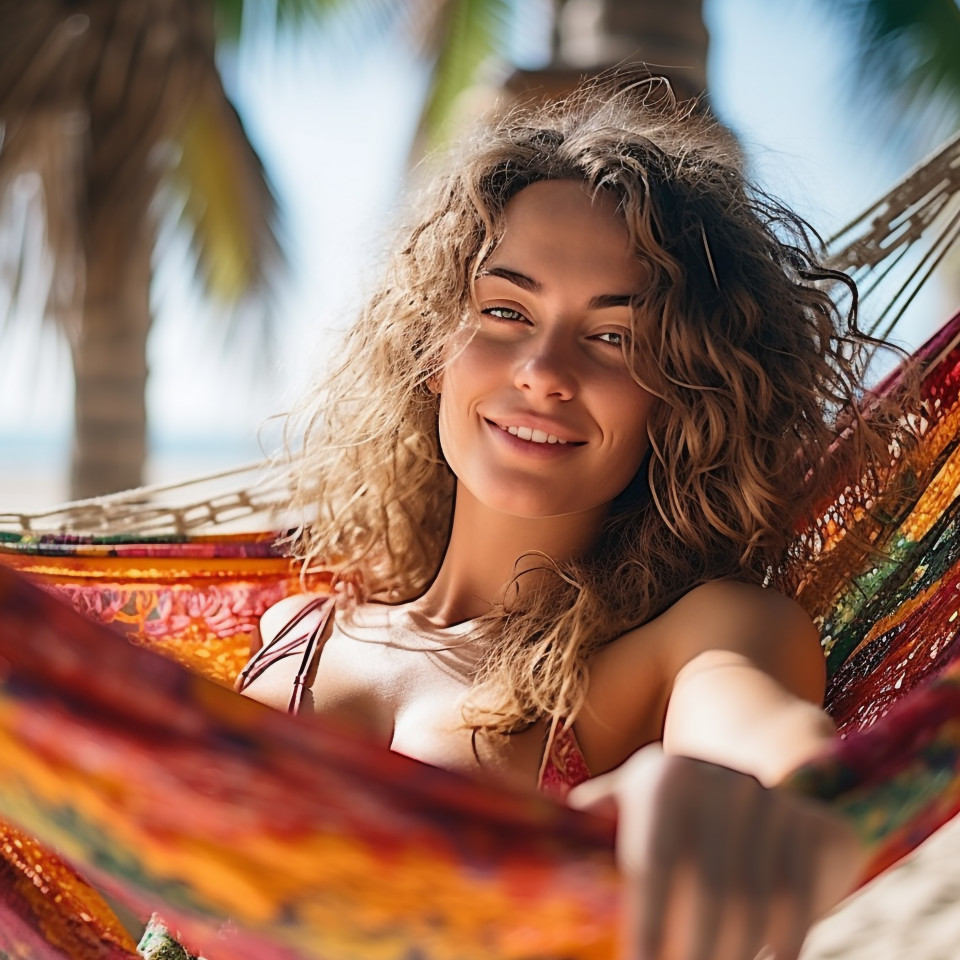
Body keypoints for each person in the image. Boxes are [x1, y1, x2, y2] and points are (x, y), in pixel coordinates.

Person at [238, 74, 914, 960]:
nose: (545, 371)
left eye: (613, 337)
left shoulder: (695, 641)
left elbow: (768, 741)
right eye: (507, 311)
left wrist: (743, 792)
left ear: (679, 397)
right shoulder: (294, 628)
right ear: (433, 351)